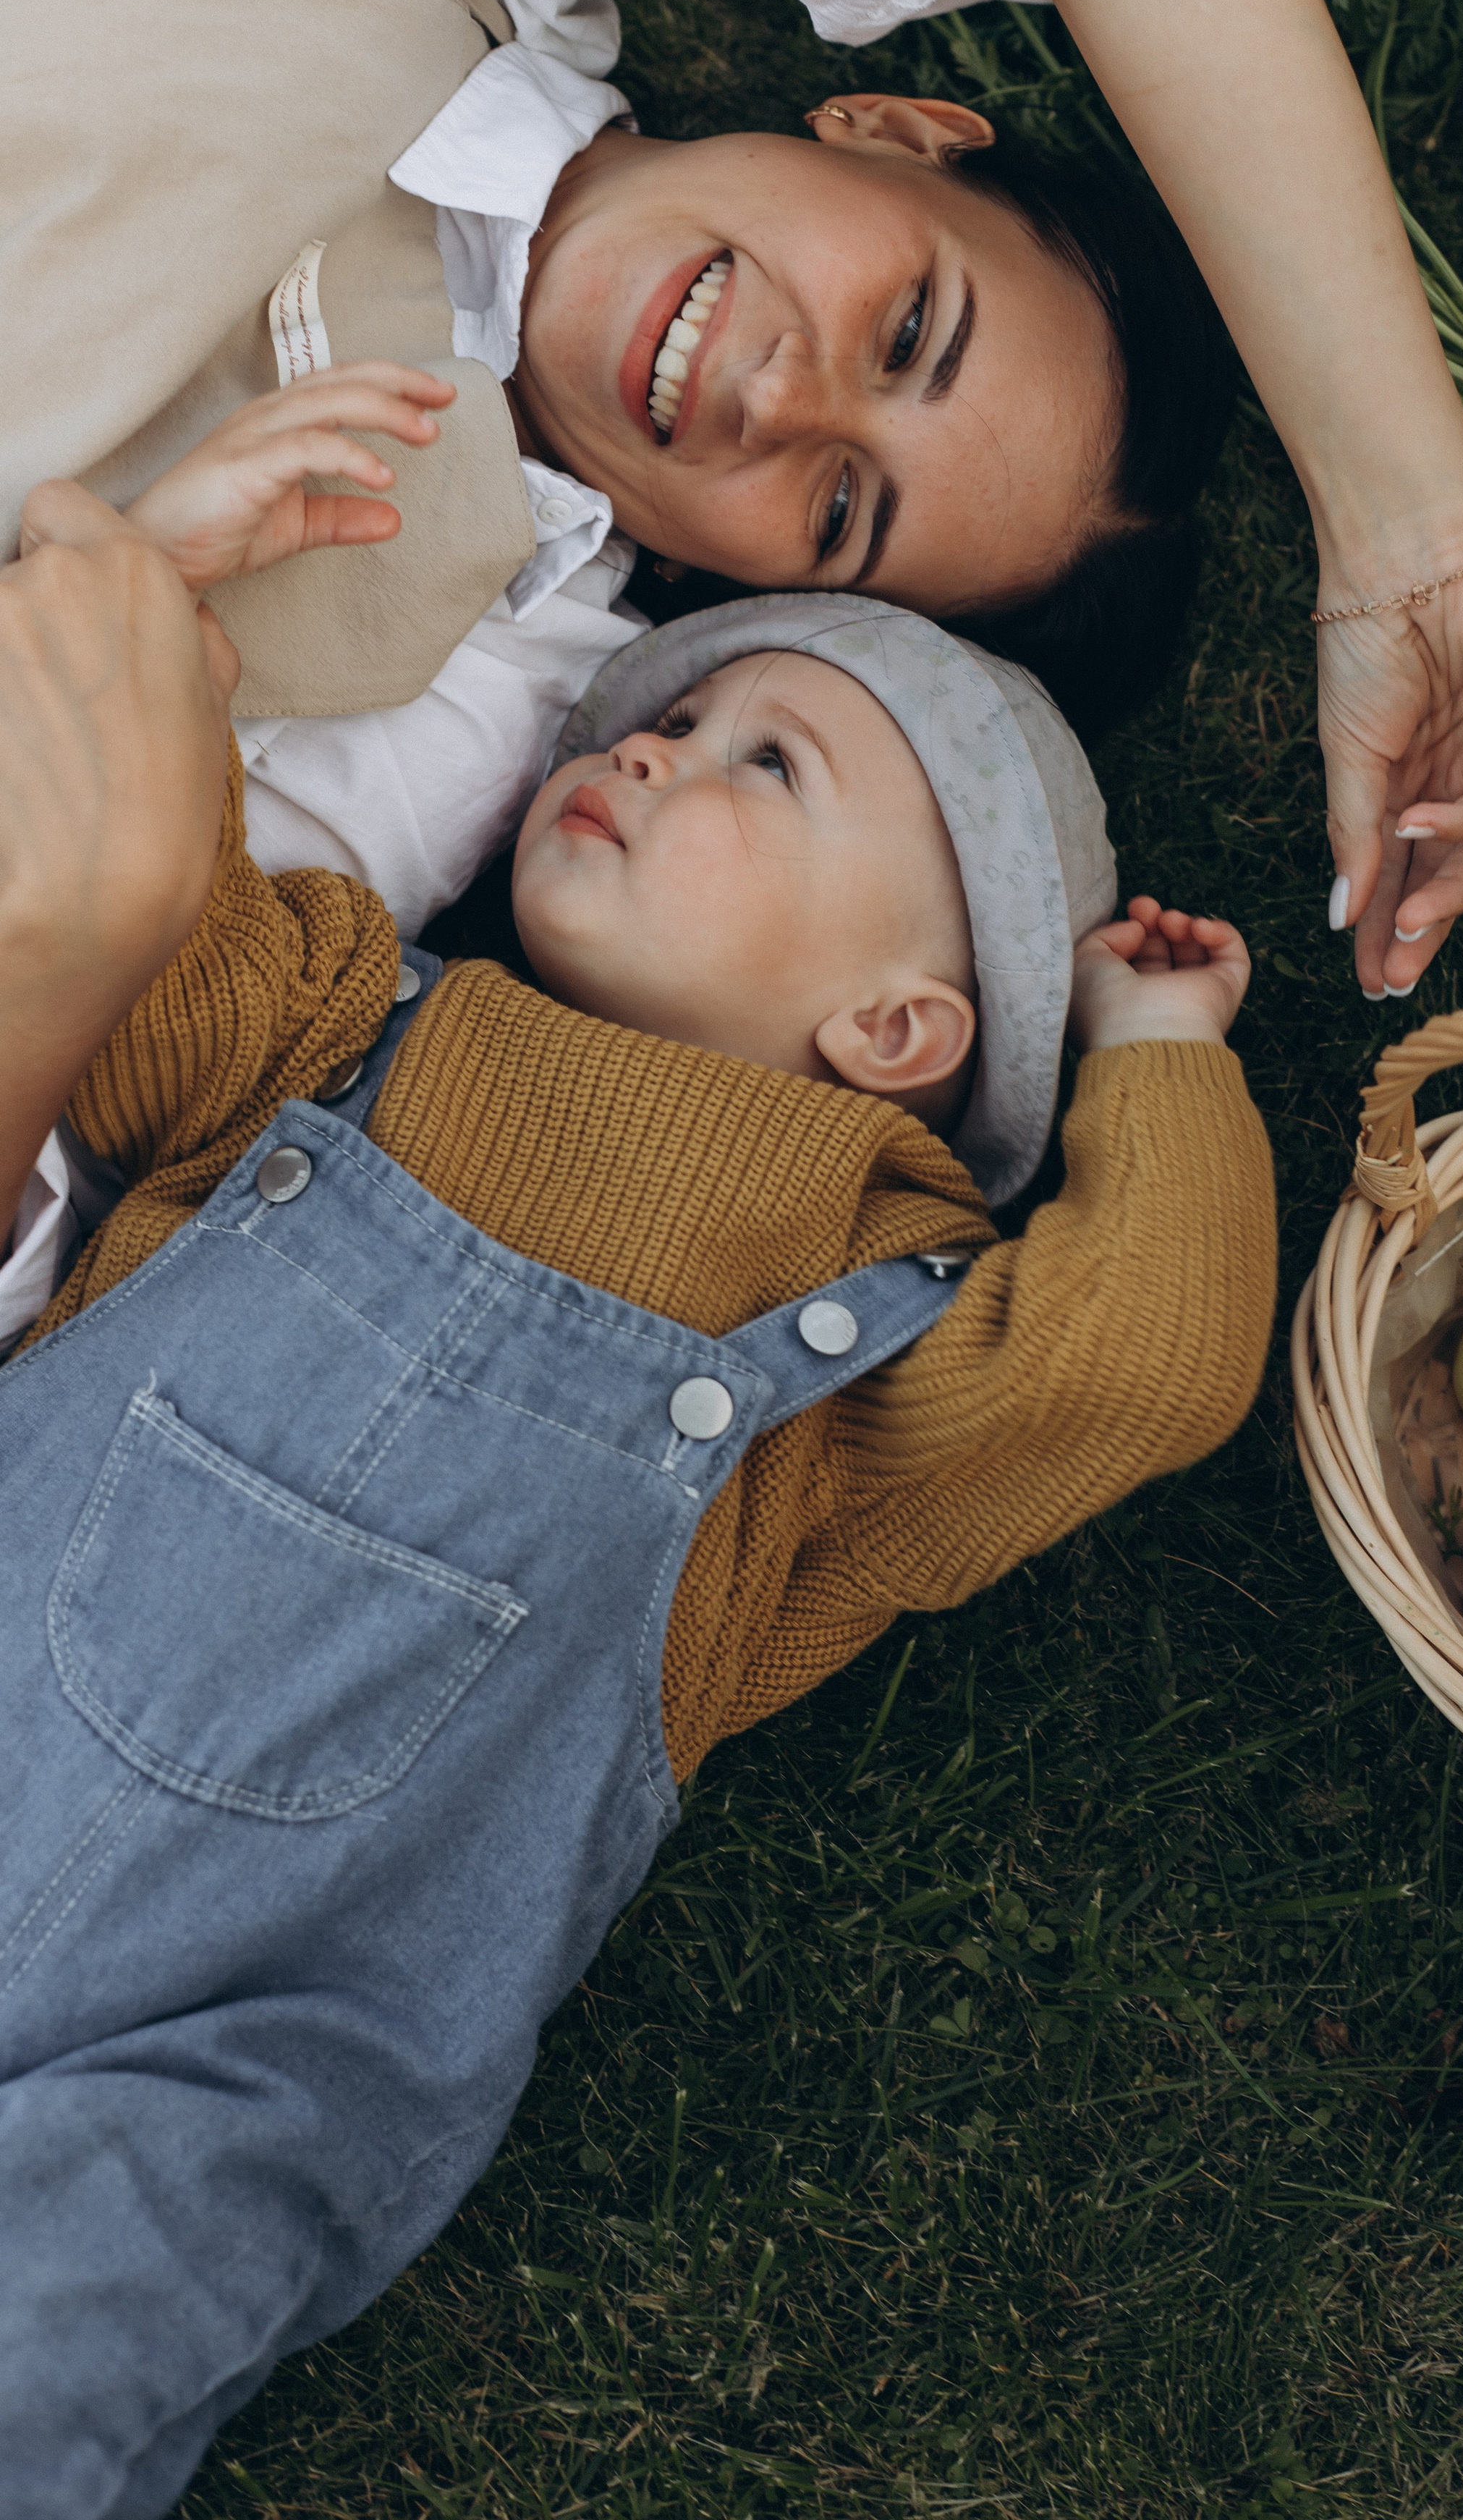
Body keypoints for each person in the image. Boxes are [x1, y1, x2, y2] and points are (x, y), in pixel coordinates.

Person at [0, 431, 1275, 2509]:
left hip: (243, 2047)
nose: (663, 750)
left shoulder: (866, 1346)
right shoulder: (344, 1009)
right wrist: (175, 640)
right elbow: (137, 912)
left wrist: (1158, 1054)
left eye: (769, 766)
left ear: (898, 1027)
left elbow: (1140, 1361)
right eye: (679, 712)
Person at [3, 0, 1463, 1005]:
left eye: (836, 512)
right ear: (891, 128)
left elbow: (85, 1064)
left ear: (737, 590)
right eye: (905, 331)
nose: (777, 402)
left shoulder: (466, 685)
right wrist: (1408, 539)